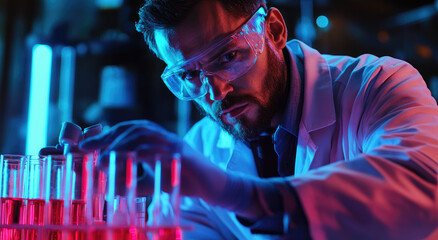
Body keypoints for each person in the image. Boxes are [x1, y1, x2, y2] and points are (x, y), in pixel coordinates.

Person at [79, 0, 438, 239]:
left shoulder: (377, 85)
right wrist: (101, 210)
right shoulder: (200, 147)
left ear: (275, 31)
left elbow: (425, 183)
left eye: (228, 56)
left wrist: (233, 191)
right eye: (189, 76)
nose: (216, 92)